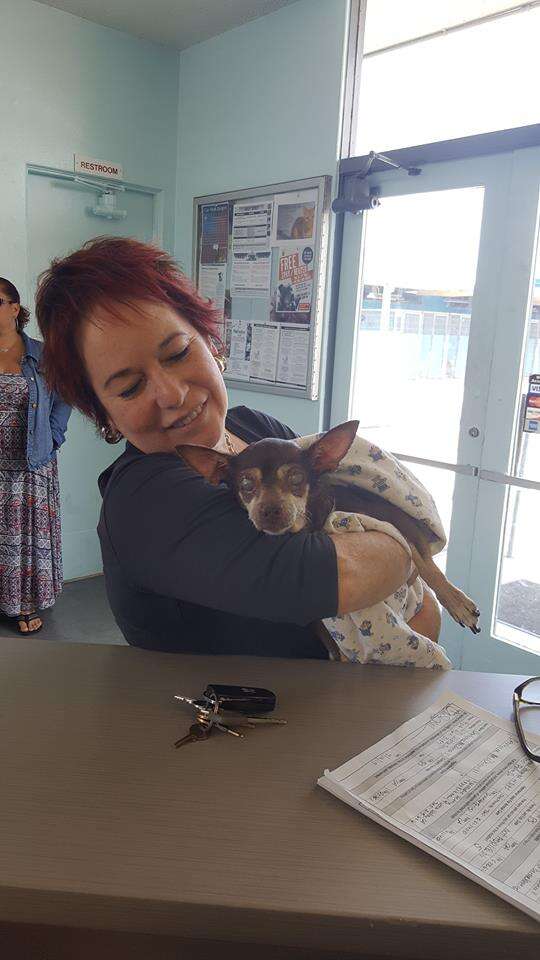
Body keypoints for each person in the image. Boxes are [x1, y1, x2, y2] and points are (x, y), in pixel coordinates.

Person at [35, 237, 439, 657]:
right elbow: (350, 577)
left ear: (210, 340)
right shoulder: (144, 500)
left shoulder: (253, 426)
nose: (171, 394)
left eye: (176, 353)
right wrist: (406, 541)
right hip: (252, 716)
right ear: (105, 415)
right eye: (131, 387)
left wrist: (398, 557)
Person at [0, 278, 71, 634]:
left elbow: (65, 397)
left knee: (24, 535)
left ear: (15, 308)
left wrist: (55, 438)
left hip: (29, 460)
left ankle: (24, 604)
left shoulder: (42, 355)